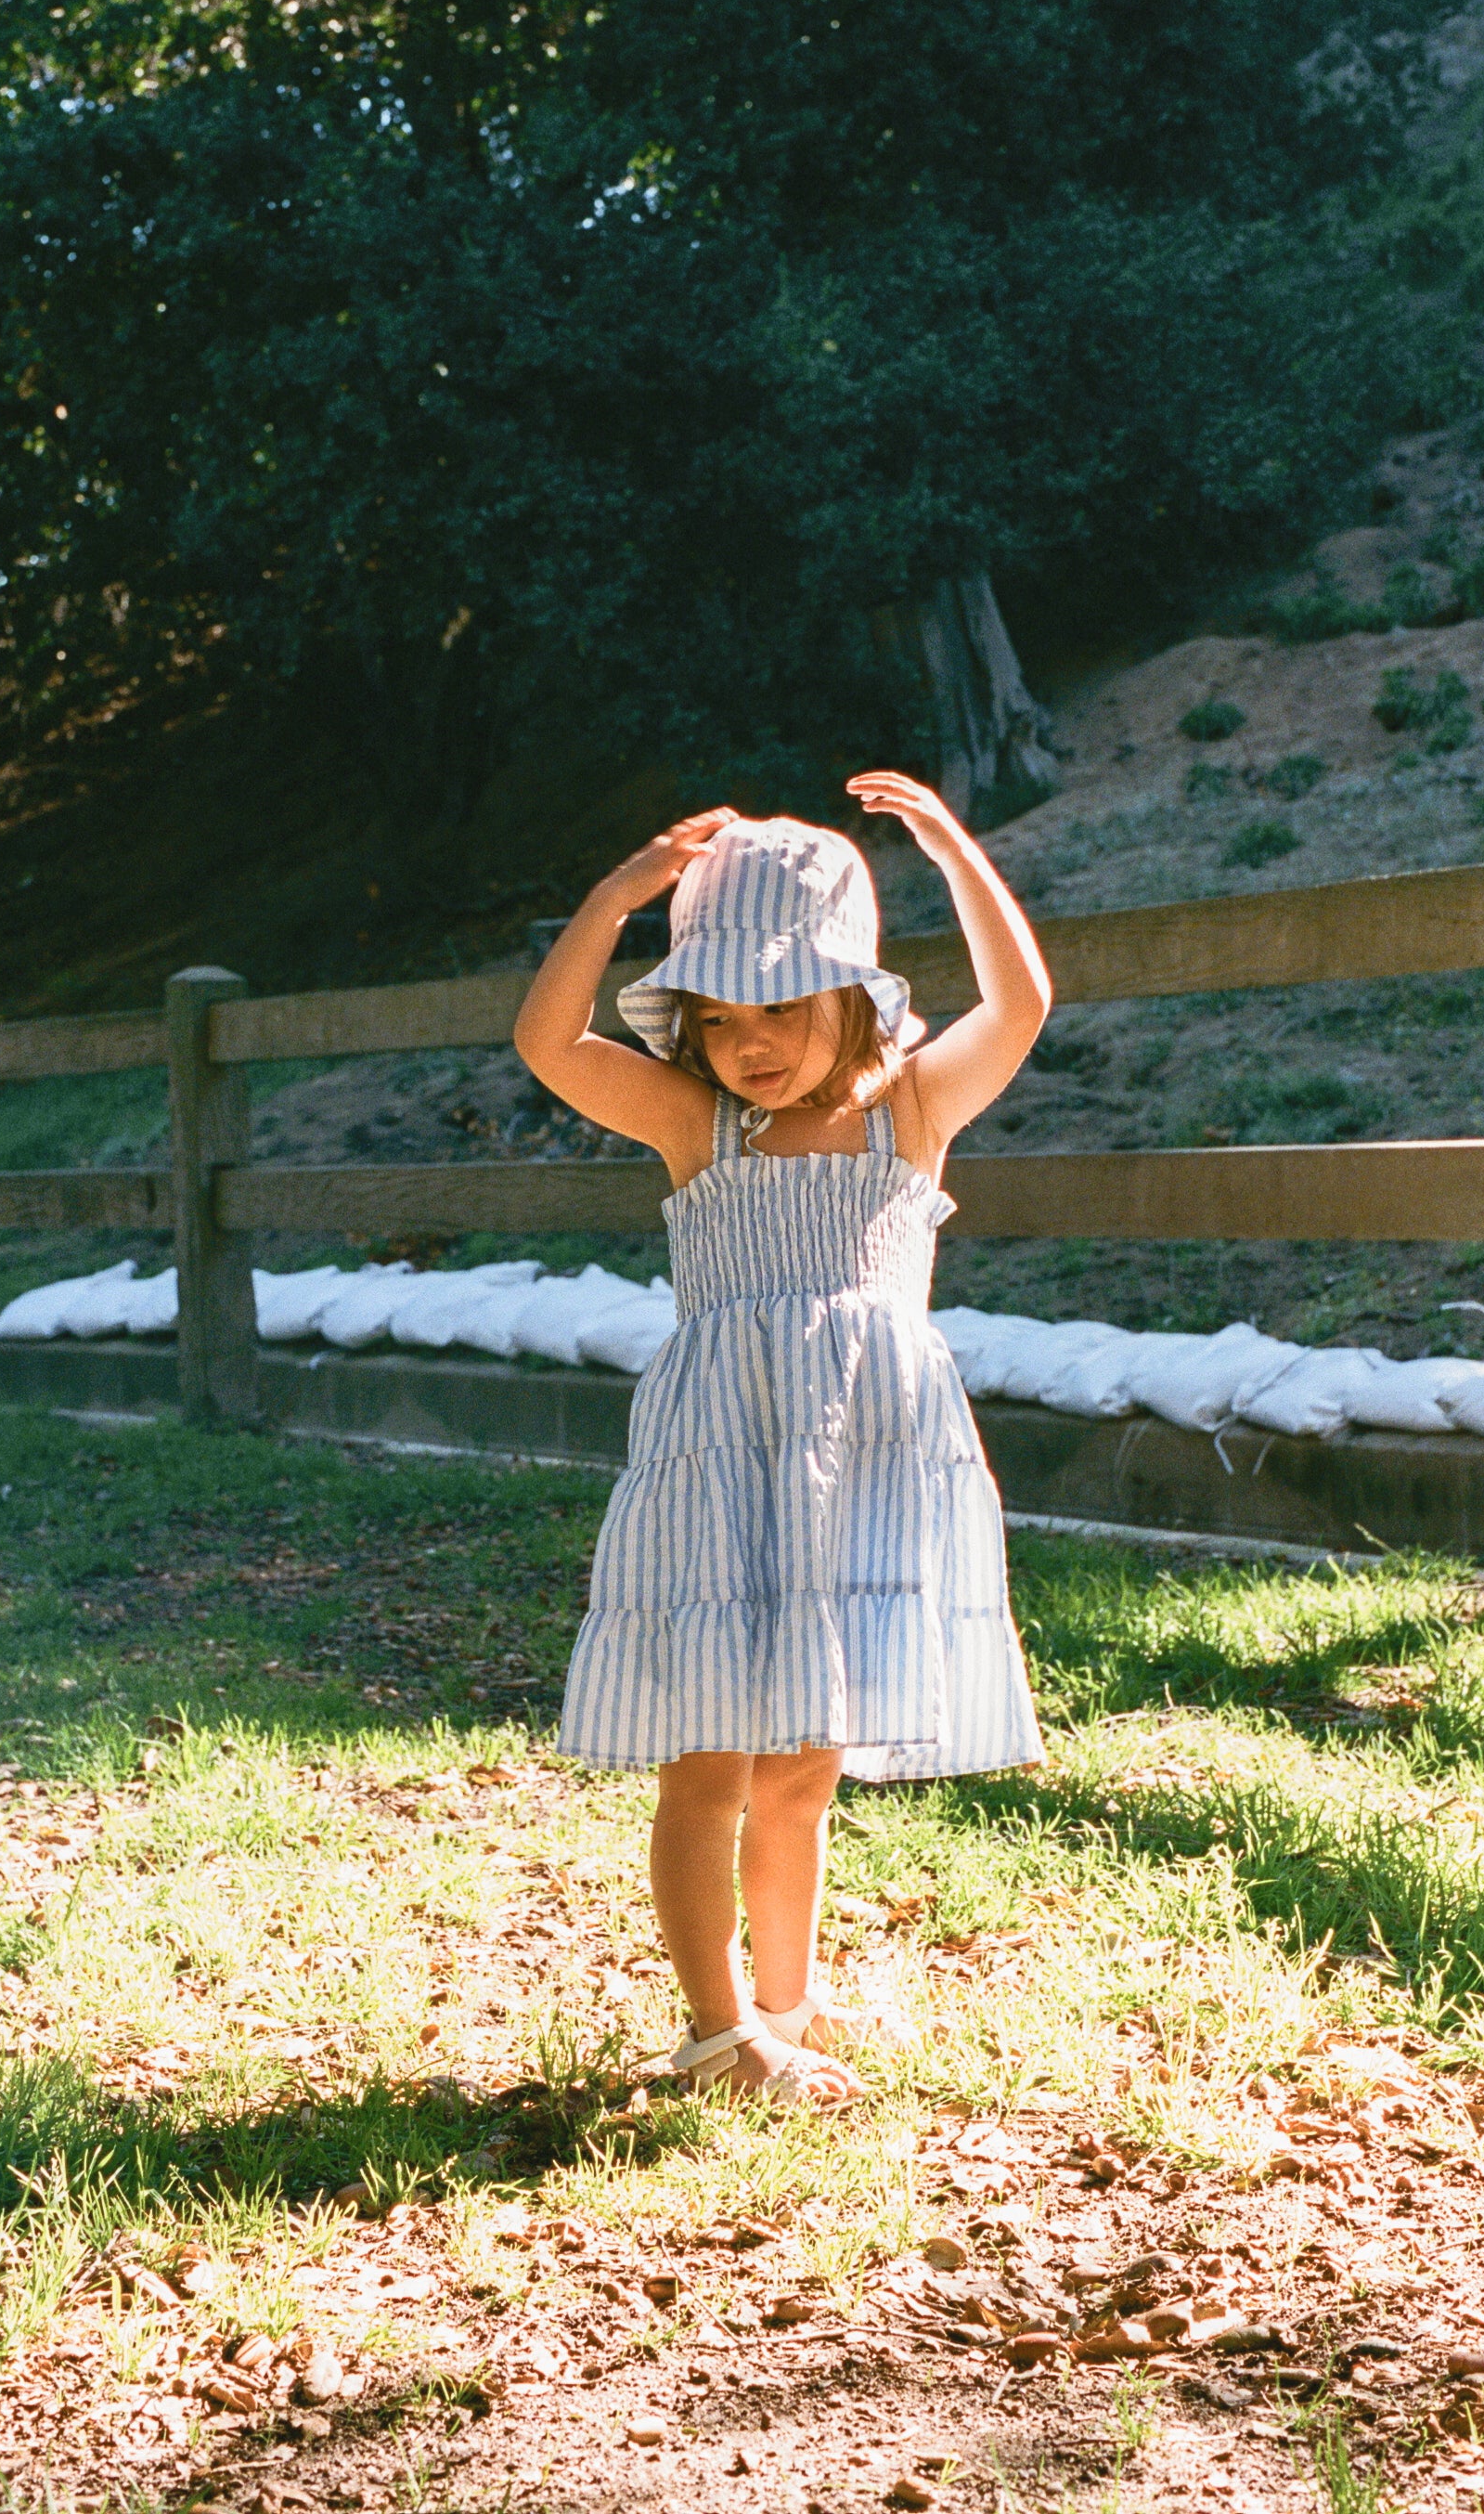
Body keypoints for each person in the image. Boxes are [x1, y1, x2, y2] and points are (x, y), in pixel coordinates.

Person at [513, 776, 1051, 2107]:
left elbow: (1025, 1001)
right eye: (720, 1015)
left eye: (783, 1008)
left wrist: (947, 848)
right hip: (726, 1467)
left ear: (854, 999)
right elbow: (546, 1042)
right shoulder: (700, 1124)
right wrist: (616, 895)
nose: (750, 1042)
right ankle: (716, 2033)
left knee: (805, 1765)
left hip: (863, 1464)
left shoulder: (910, 1111)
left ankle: (786, 2012)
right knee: (711, 1759)